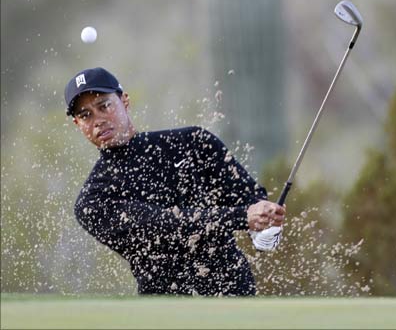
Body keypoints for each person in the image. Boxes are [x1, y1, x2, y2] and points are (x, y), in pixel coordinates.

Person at [65, 67, 286, 296]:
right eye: (85, 115)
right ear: (77, 124)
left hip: (234, 296)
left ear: (124, 100)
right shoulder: (92, 200)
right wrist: (241, 217)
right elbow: (161, 225)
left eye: (104, 106)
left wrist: (265, 223)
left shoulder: (192, 142)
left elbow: (246, 196)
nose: (98, 120)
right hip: (165, 308)